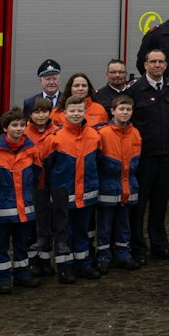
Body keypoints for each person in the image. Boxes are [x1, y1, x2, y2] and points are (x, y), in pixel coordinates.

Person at [127, 48, 169, 263]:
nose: (157, 65)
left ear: (166, 65)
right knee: (139, 205)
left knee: (160, 203)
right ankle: (137, 247)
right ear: (145, 65)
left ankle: (159, 245)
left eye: (161, 62)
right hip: (144, 157)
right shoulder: (135, 90)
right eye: (153, 61)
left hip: (166, 155)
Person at [43, 95, 101, 282]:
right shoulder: (55, 139)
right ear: (65, 113)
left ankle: (82, 264)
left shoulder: (94, 136)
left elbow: (97, 162)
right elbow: (46, 166)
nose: (76, 114)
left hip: (86, 194)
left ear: (85, 112)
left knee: (82, 231)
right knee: (64, 234)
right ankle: (64, 267)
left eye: (80, 110)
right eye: (72, 111)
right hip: (63, 195)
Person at [0, 109, 40, 294]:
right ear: (5, 128)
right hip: (2, 210)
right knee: (1, 246)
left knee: (22, 244)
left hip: (25, 208)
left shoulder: (32, 151)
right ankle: (3, 279)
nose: (19, 128)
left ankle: (22, 274)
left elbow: (36, 175)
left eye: (22, 125)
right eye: (14, 125)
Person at [94, 95, 143, 271]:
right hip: (108, 186)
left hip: (127, 187)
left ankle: (123, 254)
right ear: (112, 111)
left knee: (124, 224)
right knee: (105, 226)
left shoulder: (135, 133)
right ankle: (103, 257)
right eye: (121, 109)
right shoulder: (103, 134)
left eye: (128, 109)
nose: (125, 112)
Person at [23, 98, 61, 274]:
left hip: (51, 185)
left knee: (48, 224)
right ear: (30, 115)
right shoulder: (24, 134)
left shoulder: (58, 132)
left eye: (44, 112)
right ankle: (33, 261)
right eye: (37, 112)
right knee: (32, 226)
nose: (41, 115)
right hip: (32, 187)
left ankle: (46, 261)